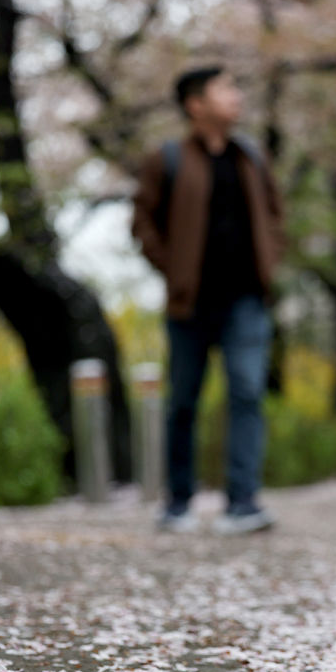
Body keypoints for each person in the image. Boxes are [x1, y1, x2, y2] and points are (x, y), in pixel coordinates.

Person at [132, 65, 286, 533]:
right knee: (184, 400)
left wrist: (269, 263)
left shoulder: (251, 157)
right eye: (226, 90)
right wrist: (173, 270)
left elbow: (276, 217)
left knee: (246, 393)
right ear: (195, 104)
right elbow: (143, 222)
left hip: (245, 300)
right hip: (190, 302)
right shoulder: (169, 158)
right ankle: (178, 502)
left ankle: (242, 503)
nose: (236, 97)